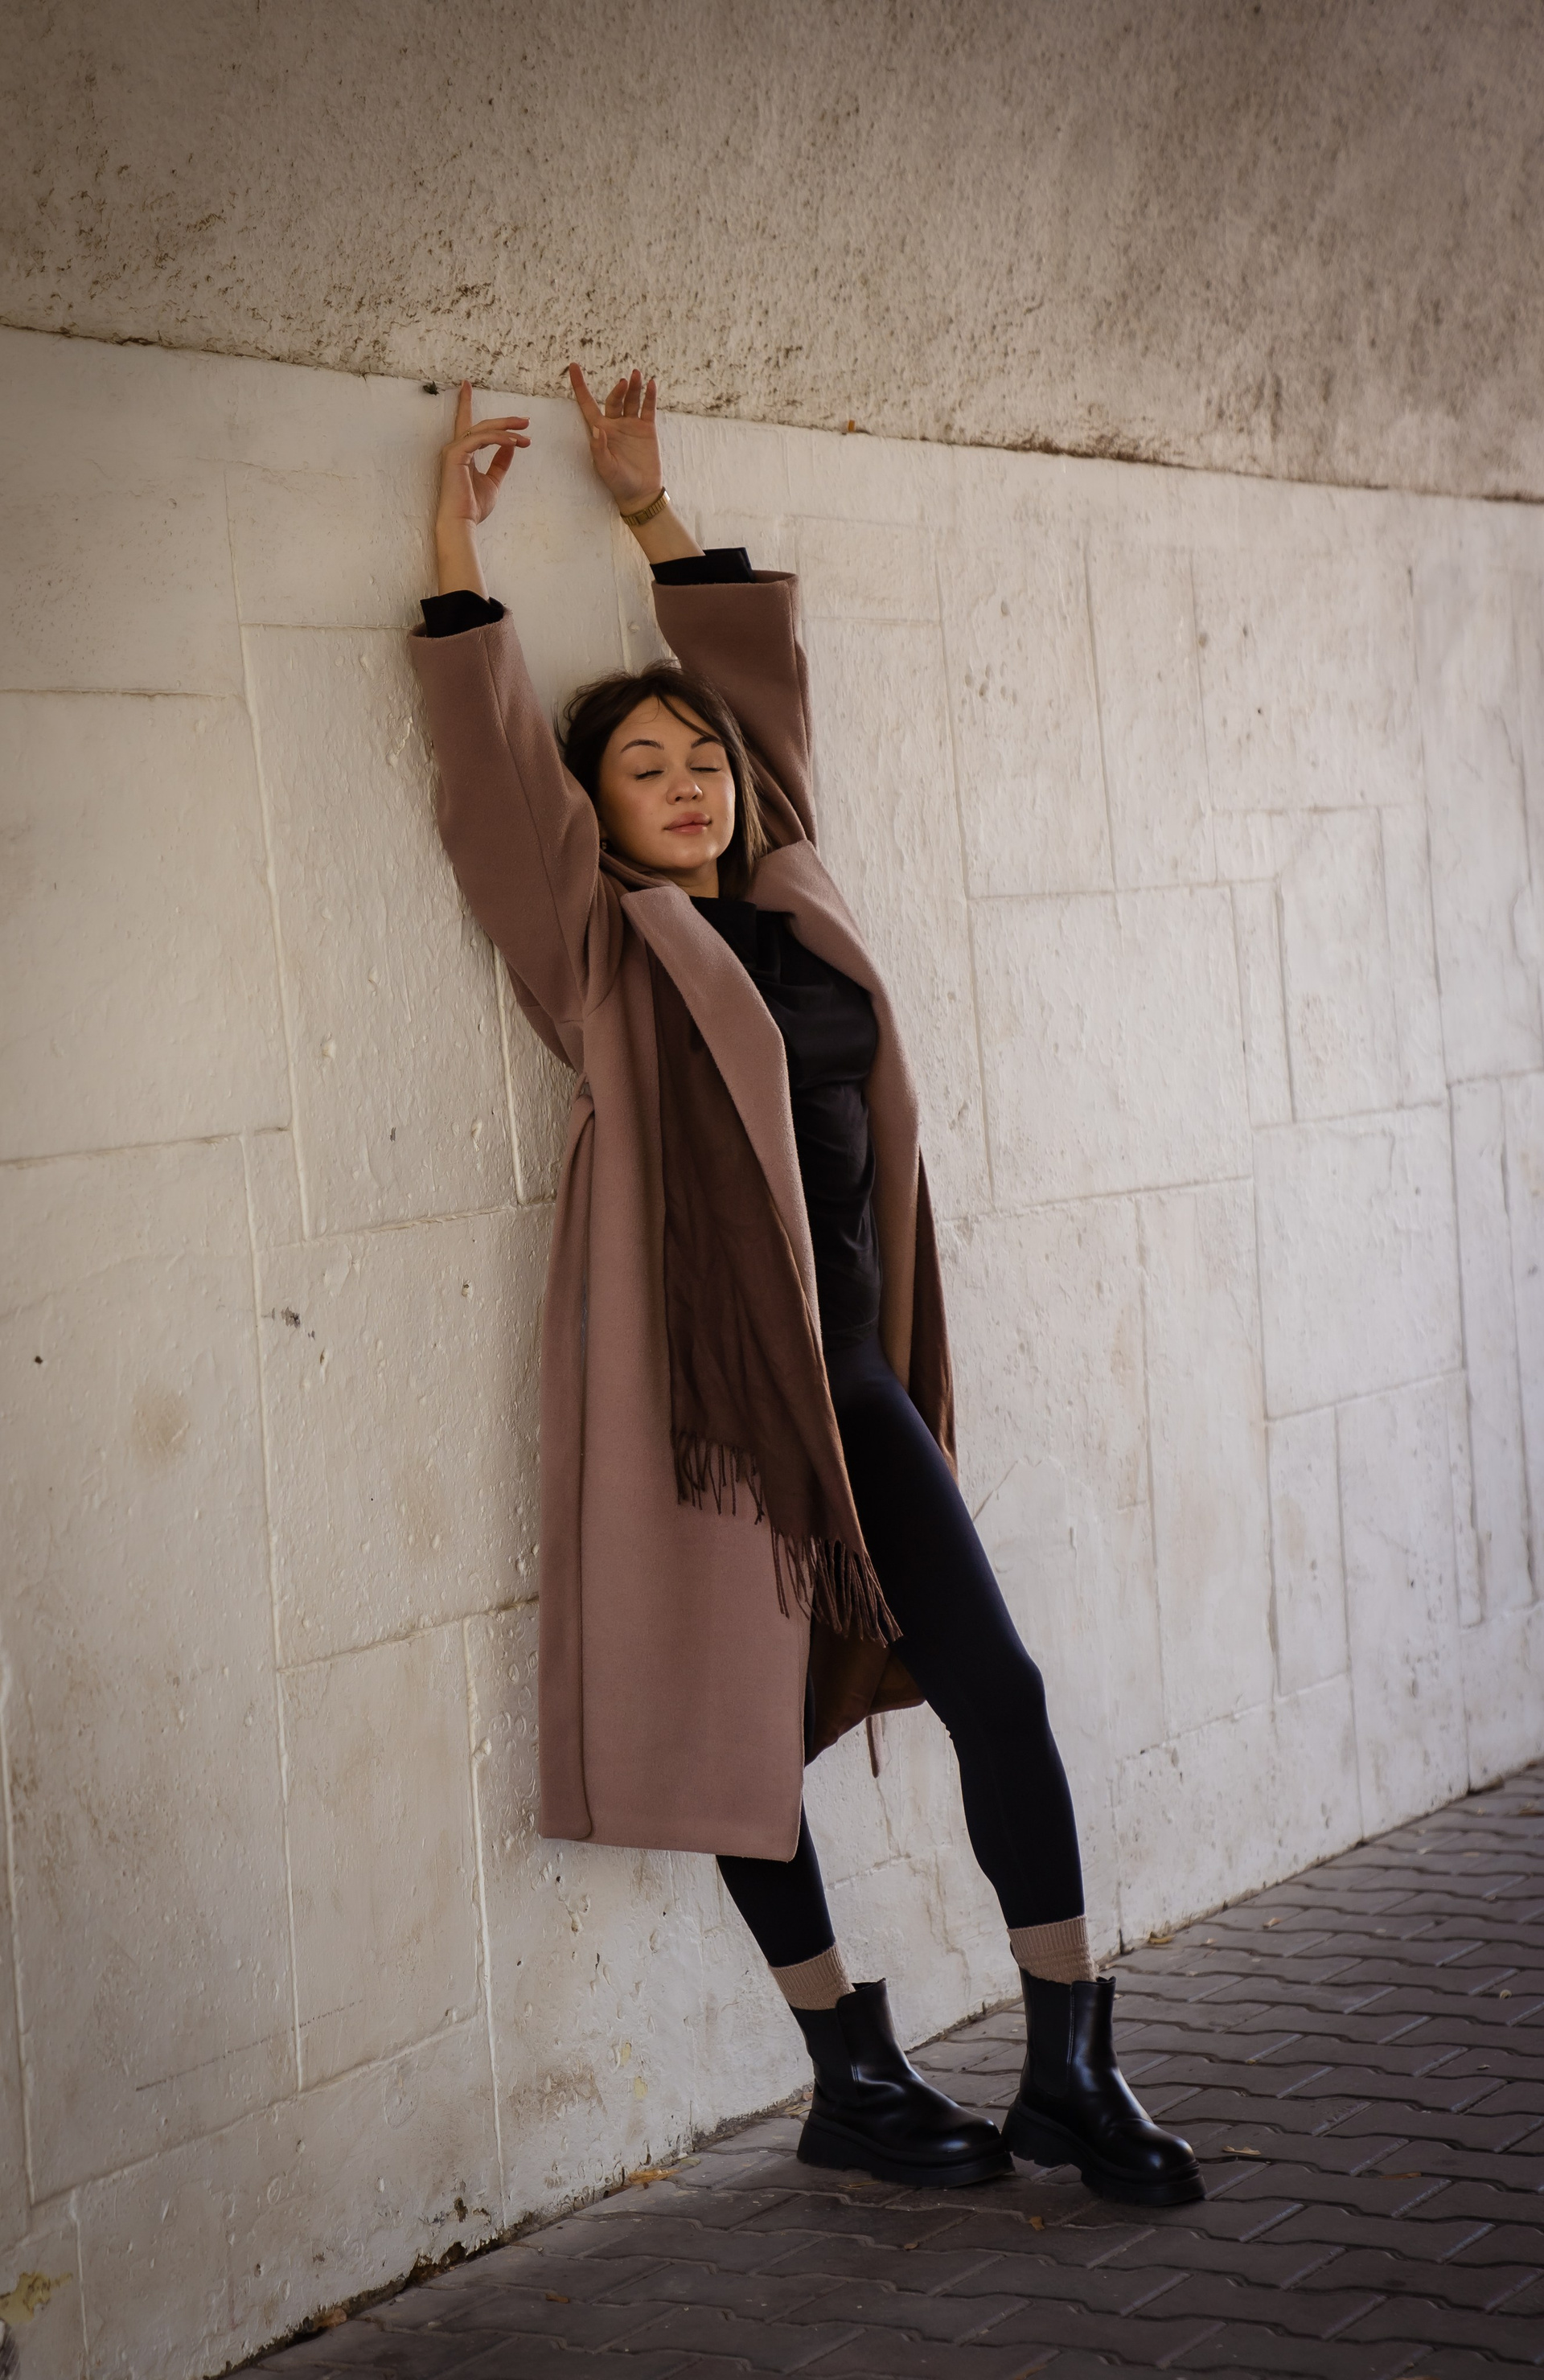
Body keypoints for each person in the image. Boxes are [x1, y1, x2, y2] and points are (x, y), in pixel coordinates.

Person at [408, 370, 1202, 2207]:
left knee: (998, 1685)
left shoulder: (796, 893)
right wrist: (452, 542)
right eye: (644, 768)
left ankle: (1072, 2061)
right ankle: (849, 2067)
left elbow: (762, 696)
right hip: (713, 1403)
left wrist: (648, 509)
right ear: (598, 814)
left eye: (700, 760)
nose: (689, 782)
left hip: (855, 1378)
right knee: (735, 1729)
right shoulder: (600, 945)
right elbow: (493, 774)